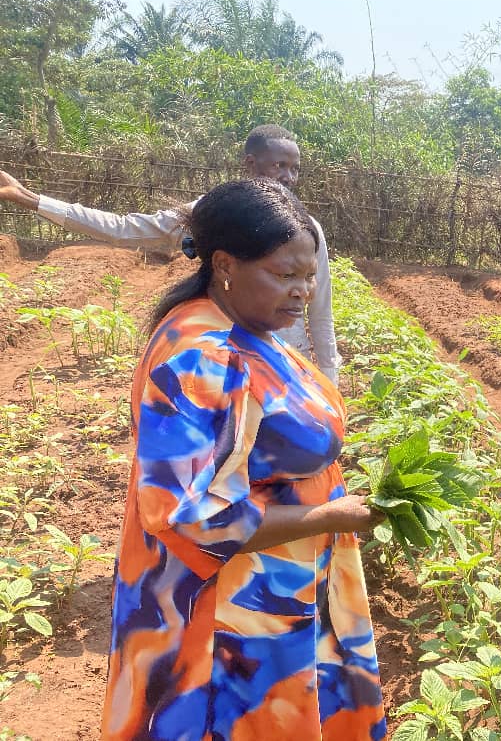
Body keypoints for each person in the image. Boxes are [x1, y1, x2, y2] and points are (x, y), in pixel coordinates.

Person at [102, 179, 386, 740]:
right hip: (231, 617)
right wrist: (334, 516)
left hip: (270, 593)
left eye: (308, 275)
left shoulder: (239, 327)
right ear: (225, 264)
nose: (302, 291)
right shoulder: (206, 357)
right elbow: (191, 517)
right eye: (283, 275)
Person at [0, 124, 342, 383]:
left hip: (286, 365)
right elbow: (124, 228)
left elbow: (321, 311)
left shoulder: (306, 228)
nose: (288, 176)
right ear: (250, 163)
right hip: (222, 365)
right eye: (279, 165)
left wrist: (328, 379)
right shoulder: (214, 212)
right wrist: (33, 200)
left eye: (294, 168)